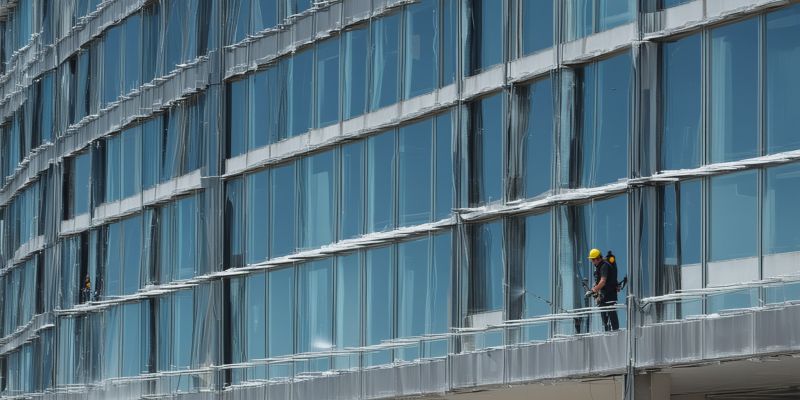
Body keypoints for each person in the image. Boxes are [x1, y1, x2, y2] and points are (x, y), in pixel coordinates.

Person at [586, 248, 619, 331]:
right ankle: (610, 332)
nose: (592, 262)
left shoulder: (604, 266)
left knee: (611, 316)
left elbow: (603, 281)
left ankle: (615, 332)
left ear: (597, 258)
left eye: (592, 260)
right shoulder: (601, 266)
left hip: (608, 296)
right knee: (606, 320)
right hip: (606, 295)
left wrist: (593, 291)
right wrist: (595, 289)